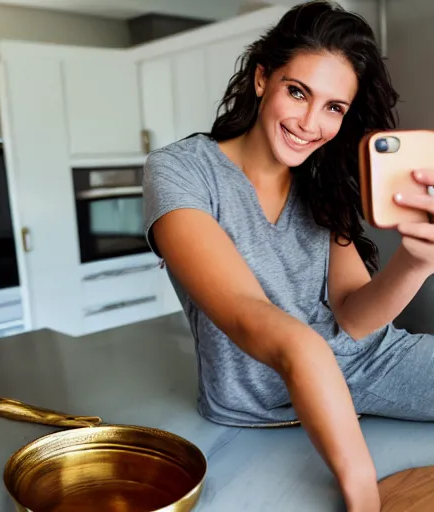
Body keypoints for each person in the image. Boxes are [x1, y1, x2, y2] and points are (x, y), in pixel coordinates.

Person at [142, 1, 434, 511]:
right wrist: (368, 501)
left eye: (333, 108)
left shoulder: (321, 181)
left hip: (366, 366)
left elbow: (354, 321)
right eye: (297, 92)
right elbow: (255, 319)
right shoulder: (181, 173)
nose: (310, 123)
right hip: (257, 399)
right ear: (262, 78)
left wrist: (418, 261)